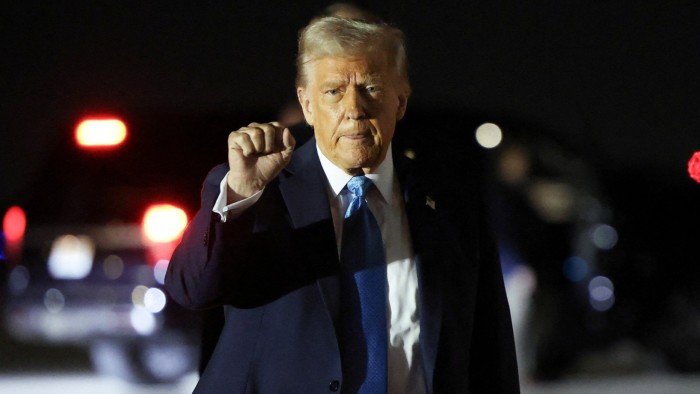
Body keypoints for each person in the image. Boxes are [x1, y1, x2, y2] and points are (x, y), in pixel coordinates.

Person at [166, 15, 520, 393]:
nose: (355, 108)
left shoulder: (452, 203)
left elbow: (489, 349)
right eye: (333, 91)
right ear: (306, 104)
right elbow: (191, 289)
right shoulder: (257, 191)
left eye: (371, 87)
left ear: (401, 100)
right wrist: (239, 193)